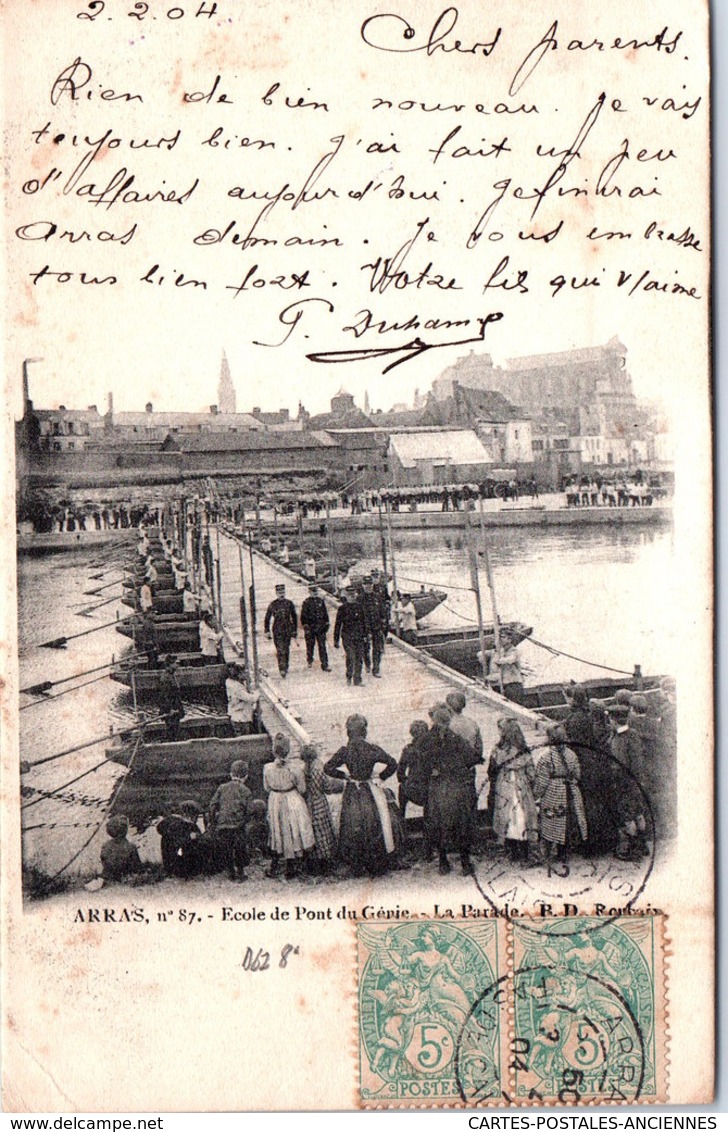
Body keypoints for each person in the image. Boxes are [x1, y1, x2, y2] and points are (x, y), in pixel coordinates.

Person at [324, 715, 399, 876]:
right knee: (375, 822)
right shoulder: (371, 749)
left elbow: (327, 767)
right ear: (364, 730)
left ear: (349, 732)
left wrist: (344, 776)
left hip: (353, 790)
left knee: (352, 824)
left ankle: (356, 863)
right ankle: (376, 861)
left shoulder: (345, 751)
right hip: (368, 789)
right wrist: (381, 776)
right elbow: (393, 763)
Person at [421, 706, 481, 876]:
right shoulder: (456, 738)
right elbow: (474, 758)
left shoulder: (425, 739)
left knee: (439, 824)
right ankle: (465, 863)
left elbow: (419, 764)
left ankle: (443, 862)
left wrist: (432, 771)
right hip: (455, 787)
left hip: (437, 788)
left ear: (433, 720)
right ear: (449, 721)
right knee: (461, 823)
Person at [533, 725, 588, 868]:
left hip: (553, 791)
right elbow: (577, 775)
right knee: (567, 823)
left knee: (551, 821)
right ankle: (563, 853)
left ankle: (547, 852)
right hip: (570, 791)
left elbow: (542, 781)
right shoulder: (571, 754)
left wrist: (535, 795)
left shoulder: (546, 757)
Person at [487, 718, 538, 864]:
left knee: (507, 817)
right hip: (521, 785)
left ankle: (513, 850)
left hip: (504, 785)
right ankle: (525, 849)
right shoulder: (524, 751)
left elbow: (491, 772)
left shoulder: (497, 751)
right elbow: (532, 773)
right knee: (523, 816)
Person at [263, 734, 315, 878]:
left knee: (278, 829)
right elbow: (302, 789)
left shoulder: (267, 768)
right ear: (289, 750)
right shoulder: (295, 769)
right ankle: (293, 864)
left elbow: (266, 788)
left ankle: (276, 862)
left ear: (274, 751)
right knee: (294, 828)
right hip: (291, 798)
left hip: (275, 800)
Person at [300, 743, 345, 872]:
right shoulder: (318, 771)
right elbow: (327, 788)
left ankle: (313, 861)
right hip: (319, 802)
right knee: (324, 831)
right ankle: (325, 861)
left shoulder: (303, 771)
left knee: (312, 830)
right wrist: (341, 784)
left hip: (308, 804)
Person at [209, 760, 252, 882]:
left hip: (223, 825)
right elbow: (249, 810)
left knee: (226, 849)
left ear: (230, 774)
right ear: (246, 776)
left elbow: (212, 805)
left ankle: (230, 872)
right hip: (238, 825)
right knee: (240, 848)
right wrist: (244, 821)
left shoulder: (222, 788)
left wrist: (213, 822)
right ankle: (240, 872)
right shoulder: (246, 790)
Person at [157, 800, 204, 878]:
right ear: (191, 815)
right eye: (196, 816)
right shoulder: (191, 826)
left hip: (168, 866)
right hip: (185, 869)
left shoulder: (166, 823)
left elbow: (160, 829)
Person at [333, 588, 367, 686]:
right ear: (346, 596)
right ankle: (349, 676)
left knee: (359, 658)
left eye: (353, 595)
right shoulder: (342, 609)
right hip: (347, 636)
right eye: (350, 595)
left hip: (359, 636)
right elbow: (338, 625)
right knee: (351, 657)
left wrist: (366, 635)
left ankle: (357, 679)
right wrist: (336, 640)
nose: (352, 597)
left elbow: (364, 622)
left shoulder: (360, 607)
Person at [264, 583, 298, 678]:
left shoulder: (289, 603)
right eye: (279, 592)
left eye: (283, 592)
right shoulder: (273, 604)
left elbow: (294, 617)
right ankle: (282, 669)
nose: (281, 594)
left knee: (286, 649)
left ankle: (285, 666)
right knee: (280, 650)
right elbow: (267, 618)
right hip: (277, 630)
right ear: (276, 593)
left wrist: (294, 630)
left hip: (287, 629)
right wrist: (266, 630)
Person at [100, 815, 143, 883]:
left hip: (109, 877)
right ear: (125, 830)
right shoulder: (131, 847)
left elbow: (104, 862)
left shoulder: (105, 846)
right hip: (125, 877)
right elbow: (137, 866)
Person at [300, 584, 331, 671]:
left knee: (322, 647)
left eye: (316, 591)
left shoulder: (321, 601)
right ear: (309, 592)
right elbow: (303, 616)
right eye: (313, 591)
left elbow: (325, 614)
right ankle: (309, 660)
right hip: (311, 628)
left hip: (320, 628)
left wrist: (327, 623)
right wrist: (306, 627)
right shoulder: (306, 602)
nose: (315, 593)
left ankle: (325, 665)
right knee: (310, 646)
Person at [360, 575, 386, 678]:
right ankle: (367, 663)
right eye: (366, 585)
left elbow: (382, 611)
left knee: (377, 649)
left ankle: (376, 669)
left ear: (372, 585)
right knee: (365, 648)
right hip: (364, 628)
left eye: (370, 585)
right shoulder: (360, 598)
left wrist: (384, 624)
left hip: (376, 626)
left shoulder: (377, 597)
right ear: (363, 585)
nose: (368, 587)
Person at [490, 632, 525, 703]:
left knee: (516, 705)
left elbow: (511, 659)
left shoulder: (515, 651)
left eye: (503, 637)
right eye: (499, 638)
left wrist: (500, 659)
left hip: (513, 684)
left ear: (510, 640)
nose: (500, 639)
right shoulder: (498, 651)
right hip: (501, 683)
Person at [225, 663, 260, 734]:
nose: (247, 675)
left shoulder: (231, 682)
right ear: (239, 675)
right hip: (241, 719)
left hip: (237, 715)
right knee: (245, 738)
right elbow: (251, 698)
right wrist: (257, 693)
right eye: (245, 673)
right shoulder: (238, 688)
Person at [158, 656, 184, 740]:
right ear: (170, 664)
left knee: (175, 728)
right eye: (176, 663)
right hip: (171, 709)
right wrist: (170, 709)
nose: (178, 665)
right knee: (171, 728)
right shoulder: (166, 677)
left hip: (175, 707)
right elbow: (165, 695)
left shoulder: (171, 675)